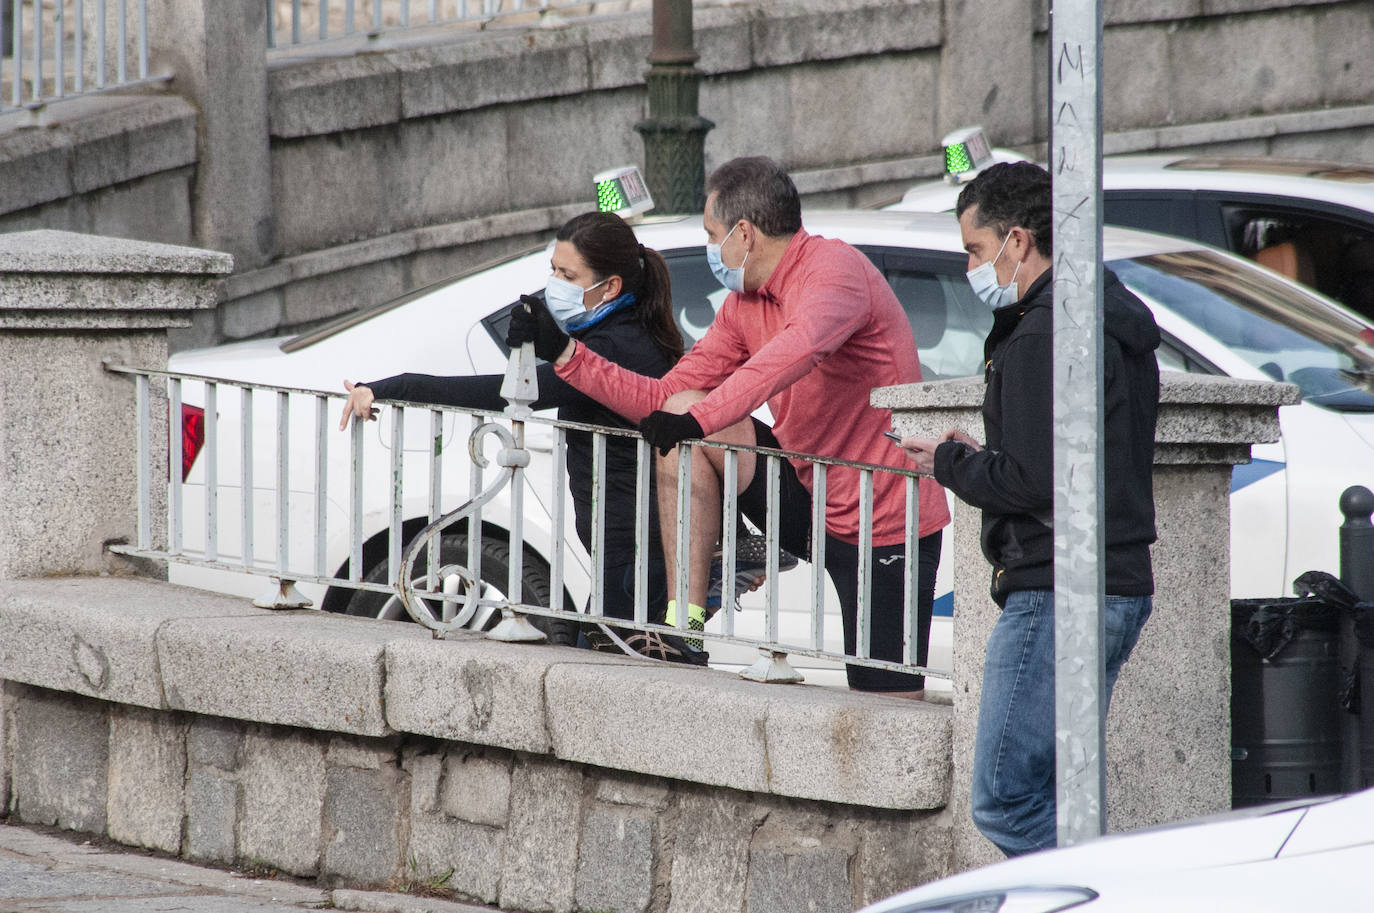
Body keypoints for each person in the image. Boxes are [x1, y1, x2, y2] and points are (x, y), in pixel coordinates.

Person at [508, 156, 951, 695]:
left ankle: (736, 551)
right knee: (682, 409)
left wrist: (699, 417)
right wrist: (565, 353)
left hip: (883, 515)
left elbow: (791, 356)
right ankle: (685, 626)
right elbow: (664, 396)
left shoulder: (835, 272)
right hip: (804, 492)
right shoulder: (744, 304)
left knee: (887, 698)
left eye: (711, 235)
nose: (712, 247)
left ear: (744, 233)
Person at [896, 161, 1160, 856]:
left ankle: (1120, 892)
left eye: (976, 250)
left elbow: (1034, 482)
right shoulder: (1103, 312)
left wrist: (950, 463)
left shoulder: (1047, 331)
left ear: (1018, 240)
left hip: (1057, 587)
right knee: (1059, 793)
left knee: (1007, 797)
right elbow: (1069, 459)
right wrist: (986, 454)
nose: (972, 268)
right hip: (1109, 579)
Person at [339, 210, 705, 662]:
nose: (554, 284)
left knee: (616, 667)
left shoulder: (615, 348)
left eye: (567, 275)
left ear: (610, 287)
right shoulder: (614, 334)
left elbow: (504, 393)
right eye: (552, 270)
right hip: (628, 545)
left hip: (635, 549)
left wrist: (393, 387)